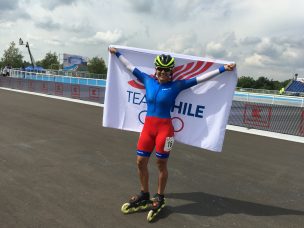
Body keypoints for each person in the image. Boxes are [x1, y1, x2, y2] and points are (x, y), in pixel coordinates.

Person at [109, 47, 236, 221]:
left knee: (161, 164)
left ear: (171, 72)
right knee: (140, 162)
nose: (163, 72)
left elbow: (199, 79)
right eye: (160, 69)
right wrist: (116, 54)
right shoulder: (147, 80)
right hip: (148, 129)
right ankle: (144, 194)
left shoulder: (177, 85)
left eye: (166, 70)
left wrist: (222, 69)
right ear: (156, 70)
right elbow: (130, 67)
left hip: (165, 131)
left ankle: (160, 197)